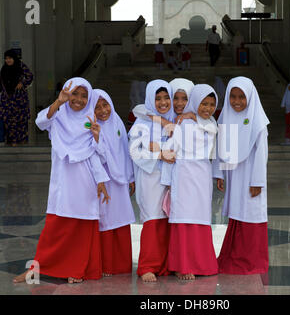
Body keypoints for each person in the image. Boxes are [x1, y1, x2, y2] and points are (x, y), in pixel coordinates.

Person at [13, 77, 110, 284]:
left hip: (85, 183)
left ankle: (77, 269)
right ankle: (35, 269)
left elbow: (96, 155)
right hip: (63, 182)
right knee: (54, 228)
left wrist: (100, 179)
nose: (79, 100)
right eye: (75, 93)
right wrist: (59, 101)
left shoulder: (90, 120)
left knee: (82, 229)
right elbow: (40, 122)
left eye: (85, 96)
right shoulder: (57, 117)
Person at [161, 84, 219, 280]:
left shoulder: (209, 122)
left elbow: (213, 130)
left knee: (200, 218)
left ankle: (202, 263)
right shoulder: (183, 124)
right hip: (184, 175)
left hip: (203, 176)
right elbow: (171, 148)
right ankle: (182, 265)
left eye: (212, 104)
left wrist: (195, 116)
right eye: (203, 103)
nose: (207, 108)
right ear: (195, 102)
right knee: (183, 219)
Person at [213, 76, 270, 275]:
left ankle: (251, 260)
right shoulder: (226, 117)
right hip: (233, 177)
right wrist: (219, 174)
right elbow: (219, 147)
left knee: (251, 214)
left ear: (250, 97)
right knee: (236, 213)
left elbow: (262, 155)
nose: (236, 101)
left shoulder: (258, 122)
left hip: (250, 178)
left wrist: (257, 181)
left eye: (241, 97)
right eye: (233, 96)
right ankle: (233, 256)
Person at [128, 80, 176, 282]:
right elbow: (134, 151)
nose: (163, 102)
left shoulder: (174, 119)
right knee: (153, 220)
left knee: (170, 221)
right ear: (150, 99)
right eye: (157, 98)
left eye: (166, 98)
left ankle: (167, 264)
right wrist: (159, 154)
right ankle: (148, 266)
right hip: (150, 178)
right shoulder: (142, 123)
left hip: (171, 178)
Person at [89, 89, 136, 277]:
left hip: (121, 180)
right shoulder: (91, 126)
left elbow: (125, 150)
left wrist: (130, 177)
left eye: (105, 105)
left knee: (121, 218)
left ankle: (122, 264)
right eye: (97, 107)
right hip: (104, 180)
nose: (103, 111)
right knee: (106, 219)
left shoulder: (117, 122)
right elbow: (95, 153)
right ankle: (107, 264)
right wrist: (97, 137)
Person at [0, 49, 34, 147]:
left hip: (19, 99)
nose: (8, 60)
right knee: (8, 120)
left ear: (14, 58)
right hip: (7, 100)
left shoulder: (20, 65)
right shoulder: (4, 69)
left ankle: (21, 140)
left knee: (21, 120)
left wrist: (22, 83)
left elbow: (30, 76)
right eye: (6, 58)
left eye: (10, 58)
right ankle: (12, 141)